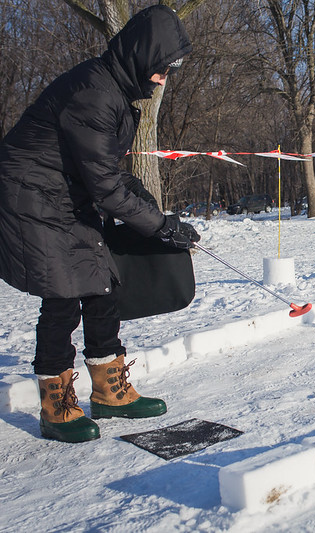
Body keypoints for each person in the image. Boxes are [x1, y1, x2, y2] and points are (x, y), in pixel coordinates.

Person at [0, 6, 199, 443]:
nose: (164, 77)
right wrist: (158, 227)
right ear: (140, 57)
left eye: (170, 70)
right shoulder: (94, 92)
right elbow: (106, 185)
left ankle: (110, 392)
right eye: (161, 67)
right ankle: (56, 406)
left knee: (103, 284)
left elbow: (106, 169)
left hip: (67, 194)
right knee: (64, 294)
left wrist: (155, 213)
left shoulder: (115, 92)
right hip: (32, 197)